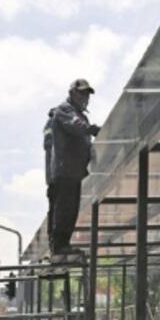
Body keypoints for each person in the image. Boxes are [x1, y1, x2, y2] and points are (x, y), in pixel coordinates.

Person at [45, 78, 101, 257]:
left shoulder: (79, 113)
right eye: (82, 93)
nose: (85, 97)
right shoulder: (65, 110)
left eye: (87, 94)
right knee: (64, 209)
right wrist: (91, 129)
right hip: (65, 171)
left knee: (70, 210)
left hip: (73, 172)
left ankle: (63, 244)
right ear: (72, 93)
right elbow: (75, 126)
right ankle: (60, 246)